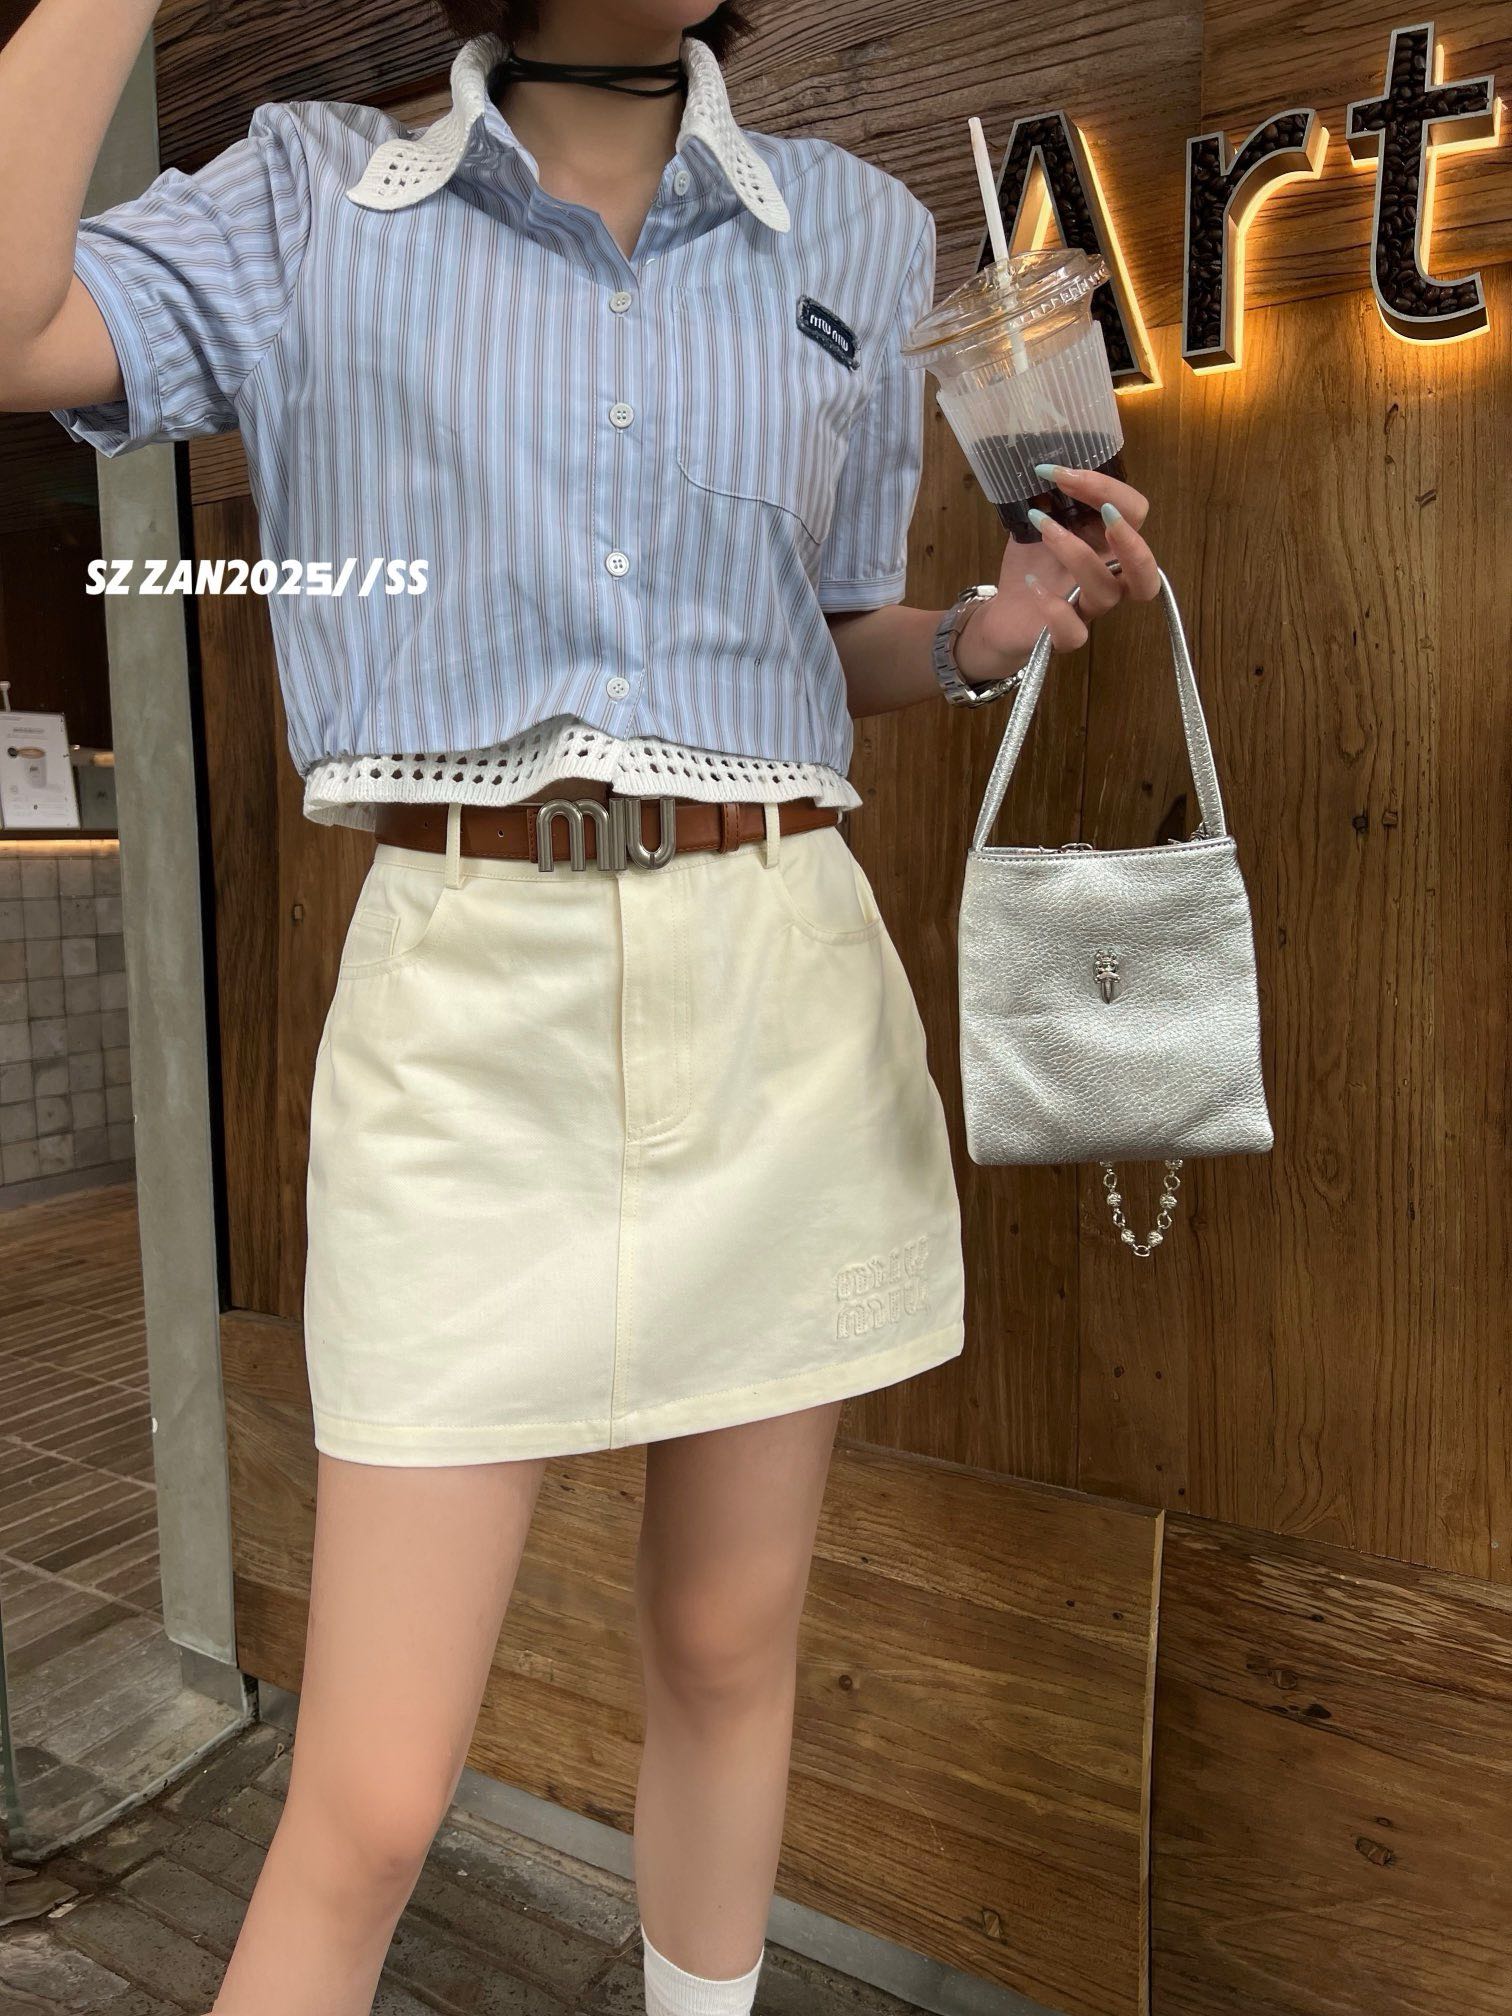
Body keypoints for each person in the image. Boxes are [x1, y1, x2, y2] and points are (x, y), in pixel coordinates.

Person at [0, 1, 1160, 2010]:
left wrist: (985, 635)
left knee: (727, 1647)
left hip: (777, 988)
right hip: (467, 1007)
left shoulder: (855, 231)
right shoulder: (313, 198)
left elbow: (824, 636)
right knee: (372, 1795)